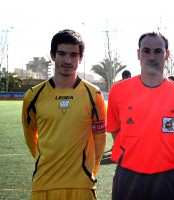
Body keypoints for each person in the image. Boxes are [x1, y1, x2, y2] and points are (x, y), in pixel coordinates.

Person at [107, 32, 174, 200]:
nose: (151, 56)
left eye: (158, 51)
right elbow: (115, 129)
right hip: (128, 176)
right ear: (138, 53)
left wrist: (169, 158)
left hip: (169, 177)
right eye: (146, 51)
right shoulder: (118, 91)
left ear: (167, 55)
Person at [22, 29, 107, 200]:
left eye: (73, 55)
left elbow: (100, 140)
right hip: (44, 184)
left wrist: (87, 171)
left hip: (81, 185)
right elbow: (31, 136)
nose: (68, 60)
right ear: (53, 55)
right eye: (62, 54)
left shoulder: (94, 94)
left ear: (80, 58)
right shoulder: (33, 96)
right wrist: (45, 162)